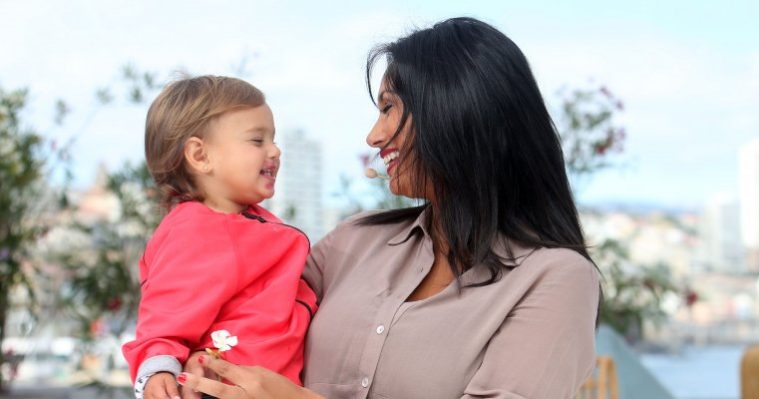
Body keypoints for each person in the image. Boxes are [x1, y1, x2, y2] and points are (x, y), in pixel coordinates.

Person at [178, 17, 600, 399]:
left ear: (455, 109)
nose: (374, 136)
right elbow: (245, 310)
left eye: (389, 108)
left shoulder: (555, 279)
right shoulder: (352, 241)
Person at [121, 76, 317, 399]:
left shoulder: (246, 222)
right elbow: (164, 317)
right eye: (257, 140)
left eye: (273, 138)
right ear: (200, 156)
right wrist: (158, 370)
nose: (275, 150)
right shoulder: (195, 230)